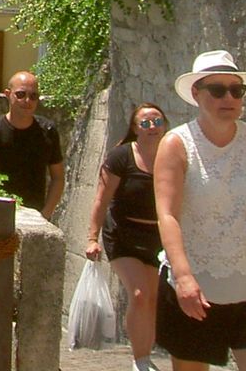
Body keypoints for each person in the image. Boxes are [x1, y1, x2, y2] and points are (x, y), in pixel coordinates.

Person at [154, 50, 246, 371]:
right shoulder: (176, 144)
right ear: (197, 93)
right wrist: (183, 277)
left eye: (236, 90)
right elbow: (167, 215)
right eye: (218, 90)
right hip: (197, 284)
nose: (229, 98)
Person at [86, 102, 169, 371]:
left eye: (157, 121)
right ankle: (140, 360)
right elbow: (101, 199)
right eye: (145, 123)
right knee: (140, 293)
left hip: (156, 238)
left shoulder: (172, 155)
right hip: (123, 235)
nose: (152, 127)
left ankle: (145, 356)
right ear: (135, 128)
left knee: (153, 299)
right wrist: (92, 238)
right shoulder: (121, 157)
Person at [0, 70, 64, 219]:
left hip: (34, 219)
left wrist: (44, 215)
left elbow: (58, 177)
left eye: (33, 96)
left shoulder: (47, 131)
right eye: (20, 94)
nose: (27, 100)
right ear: (8, 94)